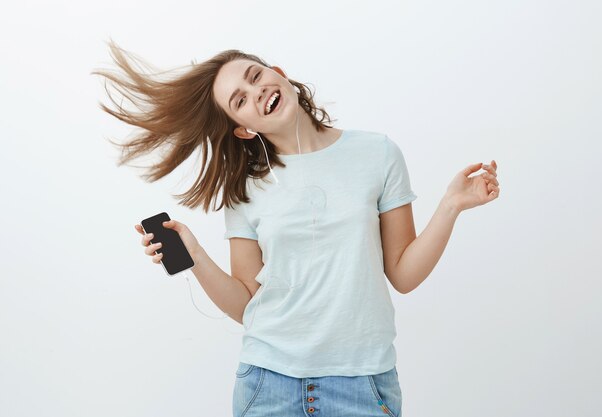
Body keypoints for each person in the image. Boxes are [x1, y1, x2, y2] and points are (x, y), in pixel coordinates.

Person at [94, 40, 500, 417]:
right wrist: (195, 255)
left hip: (362, 384)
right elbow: (247, 305)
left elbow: (403, 274)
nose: (257, 93)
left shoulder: (377, 153)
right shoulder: (246, 188)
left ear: (279, 73)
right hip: (268, 385)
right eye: (241, 100)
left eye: (256, 77)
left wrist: (451, 206)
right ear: (243, 128)